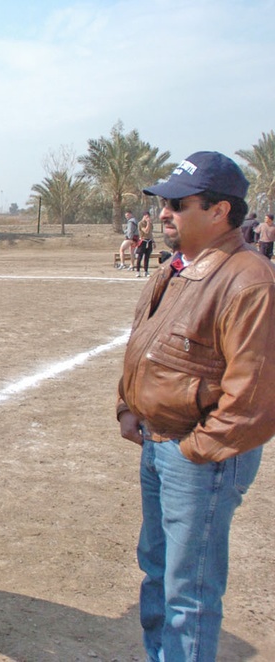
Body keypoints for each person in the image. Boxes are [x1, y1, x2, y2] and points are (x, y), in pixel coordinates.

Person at [117, 151, 275, 661]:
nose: (162, 212)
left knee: (190, 591)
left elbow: (253, 397)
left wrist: (196, 450)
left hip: (198, 456)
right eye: (163, 202)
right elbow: (145, 345)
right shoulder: (175, 269)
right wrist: (128, 406)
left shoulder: (249, 280)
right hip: (158, 444)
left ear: (219, 211)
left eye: (177, 203)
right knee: (158, 572)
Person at [134, 210, 155, 277]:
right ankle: (138, 271)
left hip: (149, 241)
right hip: (143, 241)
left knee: (147, 257)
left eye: (148, 216)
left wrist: (153, 241)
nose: (148, 218)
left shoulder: (150, 224)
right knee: (140, 257)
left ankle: (146, 271)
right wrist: (148, 223)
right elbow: (146, 231)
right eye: (146, 216)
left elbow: (150, 233)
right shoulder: (141, 223)